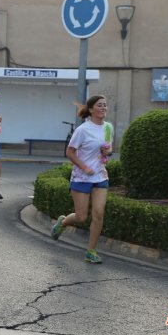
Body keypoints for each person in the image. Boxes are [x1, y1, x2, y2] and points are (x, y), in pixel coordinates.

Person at [51, 95, 113, 264]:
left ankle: (91, 251)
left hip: (100, 175)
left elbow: (108, 148)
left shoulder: (108, 127)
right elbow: (70, 152)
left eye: (105, 105)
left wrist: (107, 152)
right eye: (99, 105)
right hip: (81, 177)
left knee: (99, 214)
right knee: (81, 217)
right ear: (91, 109)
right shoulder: (83, 130)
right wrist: (84, 167)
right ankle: (63, 222)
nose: (103, 108)